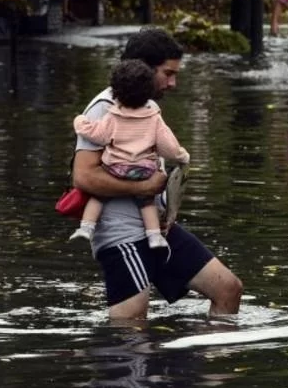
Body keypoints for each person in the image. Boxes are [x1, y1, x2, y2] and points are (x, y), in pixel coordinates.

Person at [71, 28, 243, 320]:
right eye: (168, 73)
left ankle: (207, 362)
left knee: (228, 289)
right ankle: (129, 364)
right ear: (143, 68)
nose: (173, 83)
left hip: (157, 230)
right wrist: (143, 188)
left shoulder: (148, 107)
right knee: (132, 325)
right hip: (122, 235)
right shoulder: (105, 107)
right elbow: (83, 177)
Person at [70, 59, 190, 249]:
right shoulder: (154, 117)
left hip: (116, 169)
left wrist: (80, 122)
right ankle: (154, 237)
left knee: (98, 197)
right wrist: (182, 156)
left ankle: (86, 227)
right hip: (144, 171)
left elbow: (98, 135)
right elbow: (169, 147)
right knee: (147, 203)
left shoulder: (112, 115)